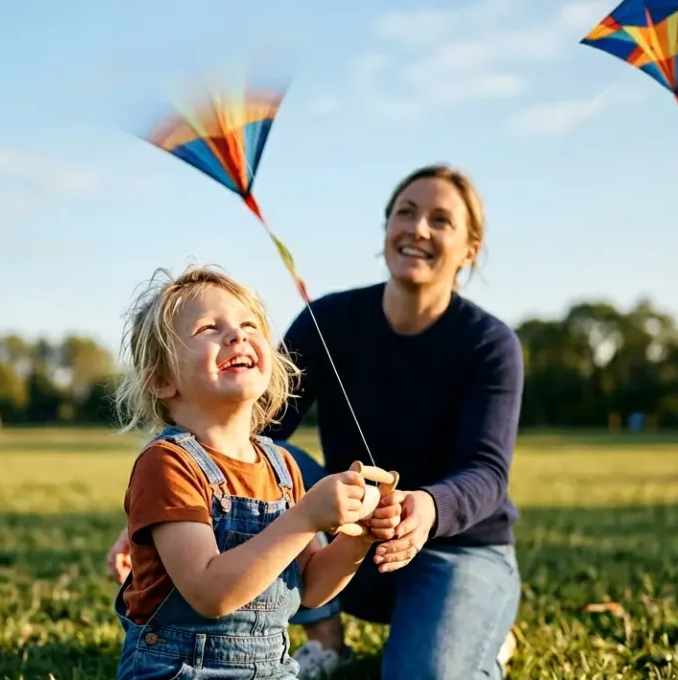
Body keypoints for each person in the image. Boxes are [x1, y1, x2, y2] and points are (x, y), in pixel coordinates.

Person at [108, 164, 524, 679]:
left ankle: (472, 627)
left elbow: (487, 471)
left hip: (456, 548)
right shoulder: (330, 319)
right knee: (280, 460)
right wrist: (167, 524)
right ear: (387, 227)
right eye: (406, 212)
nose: (417, 228)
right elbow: (243, 426)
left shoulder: (490, 344)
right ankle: (328, 642)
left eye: (441, 220)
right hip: (339, 552)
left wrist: (420, 510)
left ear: (469, 248)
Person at [109, 265, 402, 680]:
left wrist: (359, 537)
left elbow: (311, 589)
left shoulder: (281, 466)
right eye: (209, 328)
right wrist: (305, 517)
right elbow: (211, 593)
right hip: (179, 670)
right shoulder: (167, 464)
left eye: (249, 325)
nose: (237, 335)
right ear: (161, 379)